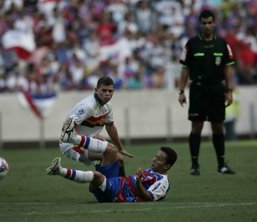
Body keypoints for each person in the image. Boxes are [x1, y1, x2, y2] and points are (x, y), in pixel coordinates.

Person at [178, 10, 236, 175]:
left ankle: (222, 165)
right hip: (198, 89)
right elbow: (185, 69)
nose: (207, 26)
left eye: (210, 22)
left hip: (217, 89)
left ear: (215, 23)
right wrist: (181, 91)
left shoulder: (223, 44)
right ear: (200, 24)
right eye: (204, 23)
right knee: (197, 127)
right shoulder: (192, 43)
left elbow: (228, 68)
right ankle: (194, 165)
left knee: (218, 127)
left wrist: (229, 90)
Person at [57, 76, 133, 176]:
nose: (107, 94)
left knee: (119, 159)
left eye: (110, 91)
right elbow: (68, 127)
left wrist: (120, 147)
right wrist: (85, 142)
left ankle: (120, 186)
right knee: (109, 155)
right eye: (104, 90)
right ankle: (107, 187)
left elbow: (110, 127)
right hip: (70, 145)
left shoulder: (107, 106)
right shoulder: (88, 106)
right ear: (96, 90)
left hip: (87, 140)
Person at [46, 146, 177, 202]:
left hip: (116, 194)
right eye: (155, 156)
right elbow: (125, 180)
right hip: (116, 182)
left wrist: (138, 183)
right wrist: (121, 166)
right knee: (110, 151)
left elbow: (149, 197)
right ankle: (73, 150)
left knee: (97, 175)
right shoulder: (151, 171)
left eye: (159, 159)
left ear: (167, 166)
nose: (154, 159)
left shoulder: (163, 182)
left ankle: (59, 170)